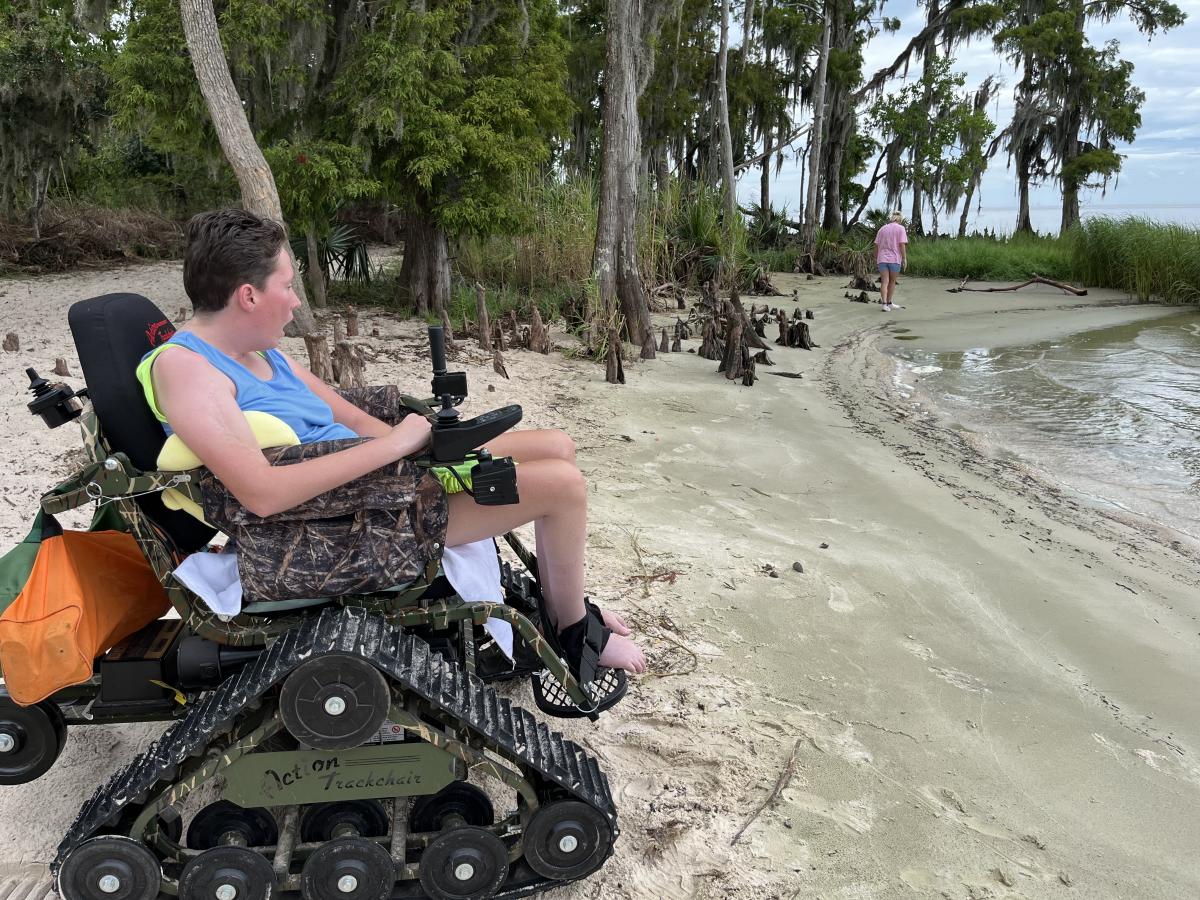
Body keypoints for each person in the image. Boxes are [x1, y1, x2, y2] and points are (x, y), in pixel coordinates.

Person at [139, 208, 646, 676]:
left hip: (378, 486)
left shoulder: (261, 353)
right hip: (334, 524)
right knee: (564, 489)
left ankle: (563, 602)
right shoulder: (187, 369)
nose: (296, 301)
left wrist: (431, 456)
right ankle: (574, 635)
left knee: (557, 447)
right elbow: (261, 492)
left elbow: (355, 419)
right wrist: (398, 450)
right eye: (288, 286)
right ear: (248, 295)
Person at [875, 211, 908, 311]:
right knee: (892, 282)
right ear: (900, 219)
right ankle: (888, 302)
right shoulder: (901, 228)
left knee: (884, 282)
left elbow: (876, 245)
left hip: (882, 259)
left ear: (892, 218)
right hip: (894, 259)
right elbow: (902, 244)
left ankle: (885, 304)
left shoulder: (882, 229)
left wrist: (876, 257)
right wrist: (904, 258)